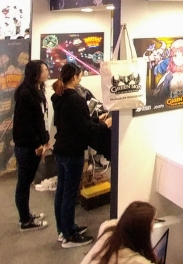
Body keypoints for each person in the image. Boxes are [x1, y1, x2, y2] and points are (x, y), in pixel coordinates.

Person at [52, 63, 112, 248]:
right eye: (80, 75)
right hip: (72, 152)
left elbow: (76, 122)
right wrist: (105, 124)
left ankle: (64, 229)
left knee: (62, 192)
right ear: (75, 77)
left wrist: (95, 119)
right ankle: (69, 237)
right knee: (69, 195)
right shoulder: (75, 100)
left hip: (61, 150)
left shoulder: (58, 96)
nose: (81, 78)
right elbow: (86, 129)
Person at [13, 60, 51, 232]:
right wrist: (37, 143)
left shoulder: (36, 90)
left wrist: (45, 139)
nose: (47, 72)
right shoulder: (25, 94)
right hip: (27, 146)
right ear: (35, 73)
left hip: (34, 143)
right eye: (44, 70)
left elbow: (39, 119)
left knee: (26, 181)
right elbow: (25, 124)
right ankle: (25, 220)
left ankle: (26, 215)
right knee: (24, 183)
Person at [81, 201, 158, 264]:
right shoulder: (136, 261)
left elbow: (125, 222)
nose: (152, 230)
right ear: (141, 232)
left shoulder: (107, 229)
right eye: (152, 224)